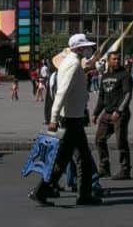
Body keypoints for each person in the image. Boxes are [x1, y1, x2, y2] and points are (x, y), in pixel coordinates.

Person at [30, 34, 100, 207]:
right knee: (71, 158)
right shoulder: (72, 64)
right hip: (71, 119)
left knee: (71, 158)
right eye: (84, 47)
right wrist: (53, 117)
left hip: (74, 117)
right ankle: (43, 191)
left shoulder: (72, 62)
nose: (86, 50)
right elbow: (61, 92)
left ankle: (77, 194)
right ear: (78, 48)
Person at [93, 50, 133, 179]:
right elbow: (101, 96)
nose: (116, 61)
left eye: (118, 59)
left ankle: (125, 170)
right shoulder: (104, 76)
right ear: (108, 61)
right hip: (107, 113)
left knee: (120, 142)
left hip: (120, 113)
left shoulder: (124, 75)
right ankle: (104, 168)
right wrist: (95, 113)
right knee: (99, 140)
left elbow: (127, 94)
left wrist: (119, 111)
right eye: (114, 59)